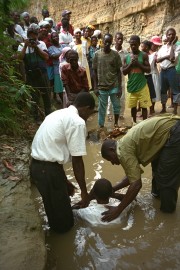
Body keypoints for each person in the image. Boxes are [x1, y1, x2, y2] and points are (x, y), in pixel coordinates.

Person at [30, 92, 96, 233]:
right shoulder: (77, 122)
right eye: (90, 113)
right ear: (85, 108)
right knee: (65, 224)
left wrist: (64, 180)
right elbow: (77, 161)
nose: (89, 117)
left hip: (37, 168)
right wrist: (84, 193)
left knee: (53, 211)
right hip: (47, 171)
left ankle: (57, 238)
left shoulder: (57, 114)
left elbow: (52, 149)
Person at [100, 115, 180, 222]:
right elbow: (132, 177)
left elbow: (136, 184)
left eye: (110, 159)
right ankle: (158, 197)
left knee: (165, 177)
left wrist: (118, 210)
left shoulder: (123, 151)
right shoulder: (124, 145)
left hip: (174, 133)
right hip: (169, 131)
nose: (113, 163)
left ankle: (167, 214)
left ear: (111, 150)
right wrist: (113, 190)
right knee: (157, 168)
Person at [18, 26, 51, 123]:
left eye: (35, 37)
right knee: (34, 97)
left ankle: (48, 117)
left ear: (37, 36)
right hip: (30, 75)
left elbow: (46, 57)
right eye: (31, 37)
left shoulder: (41, 44)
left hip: (42, 74)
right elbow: (20, 58)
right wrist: (25, 46)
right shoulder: (22, 45)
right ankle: (36, 119)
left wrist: (36, 47)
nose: (33, 39)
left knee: (46, 97)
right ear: (28, 36)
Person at [93, 33, 122, 128]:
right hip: (101, 86)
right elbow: (94, 71)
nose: (107, 44)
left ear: (111, 42)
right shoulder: (97, 55)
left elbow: (118, 72)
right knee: (102, 108)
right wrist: (95, 87)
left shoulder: (115, 55)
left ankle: (116, 123)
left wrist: (120, 88)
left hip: (114, 85)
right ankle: (101, 126)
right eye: (106, 42)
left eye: (109, 42)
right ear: (102, 41)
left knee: (116, 106)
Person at [123, 35, 151, 124]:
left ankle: (144, 124)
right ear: (130, 45)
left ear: (139, 44)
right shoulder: (126, 57)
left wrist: (138, 63)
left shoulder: (144, 55)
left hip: (142, 85)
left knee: (144, 106)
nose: (133, 46)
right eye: (131, 45)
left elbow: (148, 69)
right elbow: (124, 72)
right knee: (133, 107)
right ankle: (134, 123)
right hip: (132, 86)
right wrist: (130, 64)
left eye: (135, 44)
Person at [156, 27, 180, 114]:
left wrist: (173, 44)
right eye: (169, 34)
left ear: (175, 36)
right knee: (163, 90)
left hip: (171, 70)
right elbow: (157, 60)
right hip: (163, 71)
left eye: (173, 34)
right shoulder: (163, 47)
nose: (171, 36)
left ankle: (175, 110)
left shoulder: (177, 47)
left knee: (175, 90)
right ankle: (163, 108)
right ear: (166, 36)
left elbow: (173, 58)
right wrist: (167, 57)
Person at [111, 32, 129, 119]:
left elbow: (126, 65)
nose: (120, 40)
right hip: (110, 77)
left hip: (121, 76)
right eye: (118, 38)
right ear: (115, 39)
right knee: (111, 97)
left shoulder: (125, 52)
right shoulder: (110, 51)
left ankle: (121, 114)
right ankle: (109, 114)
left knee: (122, 97)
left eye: (121, 39)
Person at [141, 40, 156, 115]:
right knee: (142, 94)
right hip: (142, 76)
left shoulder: (151, 56)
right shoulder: (141, 55)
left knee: (151, 94)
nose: (141, 47)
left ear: (146, 47)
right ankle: (144, 111)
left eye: (142, 46)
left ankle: (151, 109)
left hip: (149, 76)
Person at [48, 32, 64, 103]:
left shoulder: (62, 46)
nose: (56, 38)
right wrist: (64, 52)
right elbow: (53, 56)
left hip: (64, 68)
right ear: (51, 39)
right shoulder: (50, 48)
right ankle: (63, 102)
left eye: (57, 36)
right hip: (57, 69)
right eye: (54, 37)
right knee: (60, 88)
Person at [149, 36, 162, 103]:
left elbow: (157, 61)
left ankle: (152, 108)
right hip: (147, 74)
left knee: (154, 90)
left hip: (153, 73)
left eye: (157, 46)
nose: (156, 47)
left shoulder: (156, 53)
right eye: (155, 45)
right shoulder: (145, 51)